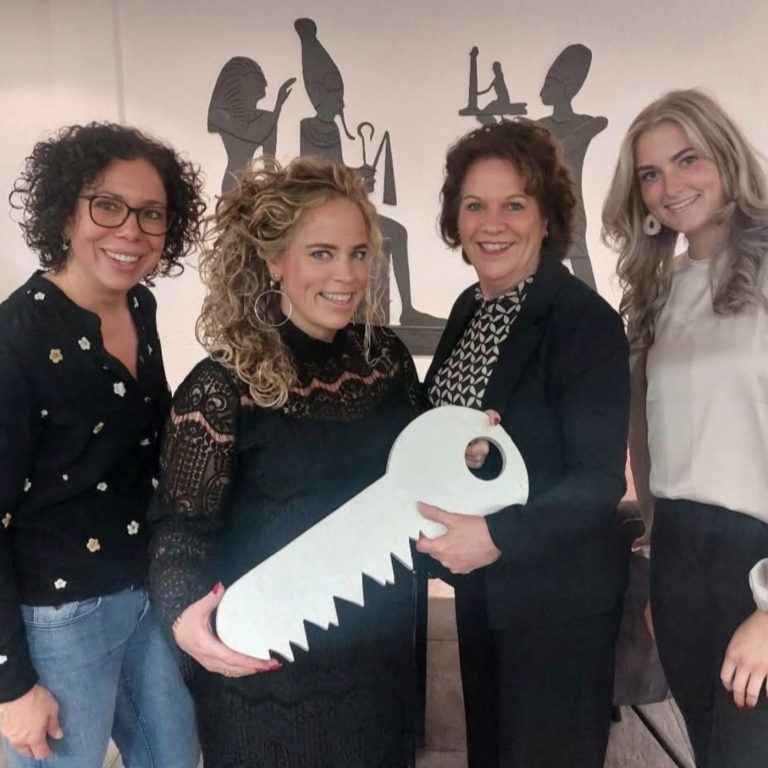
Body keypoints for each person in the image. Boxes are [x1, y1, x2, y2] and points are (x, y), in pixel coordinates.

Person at [147, 155, 421, 768]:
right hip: (266, 678)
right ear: (274, 261)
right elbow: (181, 529)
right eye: (321, 253)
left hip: (380, 664)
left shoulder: (386, 362)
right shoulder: (222, 386)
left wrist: (467, 450)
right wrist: (184, 617)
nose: (346, 274)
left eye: (358, 253)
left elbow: (417, 481)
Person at [417, 119, 630, 768]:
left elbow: (597, 481)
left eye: (514, 205)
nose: (492, 224)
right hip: (483, 593)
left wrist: (497, 536)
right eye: (474, 206)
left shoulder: (584, 323)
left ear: (545, 217)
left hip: (557, 604)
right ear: (455, 219)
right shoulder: (471, 308)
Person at [0, 123, 205, 768]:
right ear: (66, 211)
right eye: (108, 206)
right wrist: (11, 686)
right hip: (59, 614)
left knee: (176, 757)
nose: (132, 231)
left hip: (142, 584)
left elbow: (151, 435)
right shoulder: (17, 338)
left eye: (151, 214)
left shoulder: (138, 307)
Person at [602, 88, 768, 768]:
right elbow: (654, 435)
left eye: (687, 159)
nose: (670, 186)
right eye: (651, 173)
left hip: (757, 559)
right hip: (678, 560)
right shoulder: (659, 291)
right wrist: (658, 557)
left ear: (725, 158)